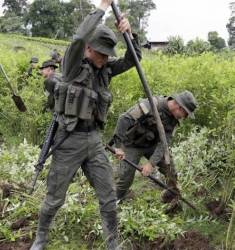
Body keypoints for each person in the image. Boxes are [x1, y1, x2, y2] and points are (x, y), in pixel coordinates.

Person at [30, 0, 141, 249]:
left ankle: (112, 244)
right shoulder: (71, 66)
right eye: (102, 53)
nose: (106, 58)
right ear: (90, 48)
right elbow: (78, 38)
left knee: (109, 197)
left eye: (108, 54)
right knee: (54, 199)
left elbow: (134, 60)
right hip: (68, 141)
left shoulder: (105, 69)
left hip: (93, 141)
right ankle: (40, 239)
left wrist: (129, 34)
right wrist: (101, 7)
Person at [113, 91, 198, 203]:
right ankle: (117, 200)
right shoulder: (151, 104)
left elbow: (164, 144)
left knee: (171, 171)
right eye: (186, 114)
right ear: (179, 107)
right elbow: (123, 118)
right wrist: (118, 146)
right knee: (126, 176)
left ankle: (171, 199)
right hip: (132, 144)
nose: (185, 117)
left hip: (151, 145)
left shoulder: (174, 121)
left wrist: (150, 163)